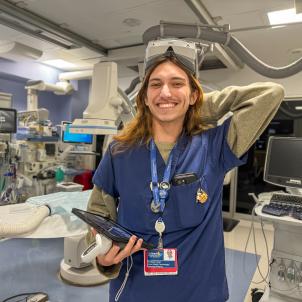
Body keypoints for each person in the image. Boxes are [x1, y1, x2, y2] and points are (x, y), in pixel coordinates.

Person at [86, 44, 284, 302]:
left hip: (200, 292)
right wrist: (103, 258)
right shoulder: (119, 151)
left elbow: (270, 94)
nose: (165, 91)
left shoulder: (215, 145)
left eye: (177, 83)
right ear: (144, 97)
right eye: (155, 85)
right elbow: (98, 216)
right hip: (135, 289)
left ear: (193, 95)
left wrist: (188, 104)